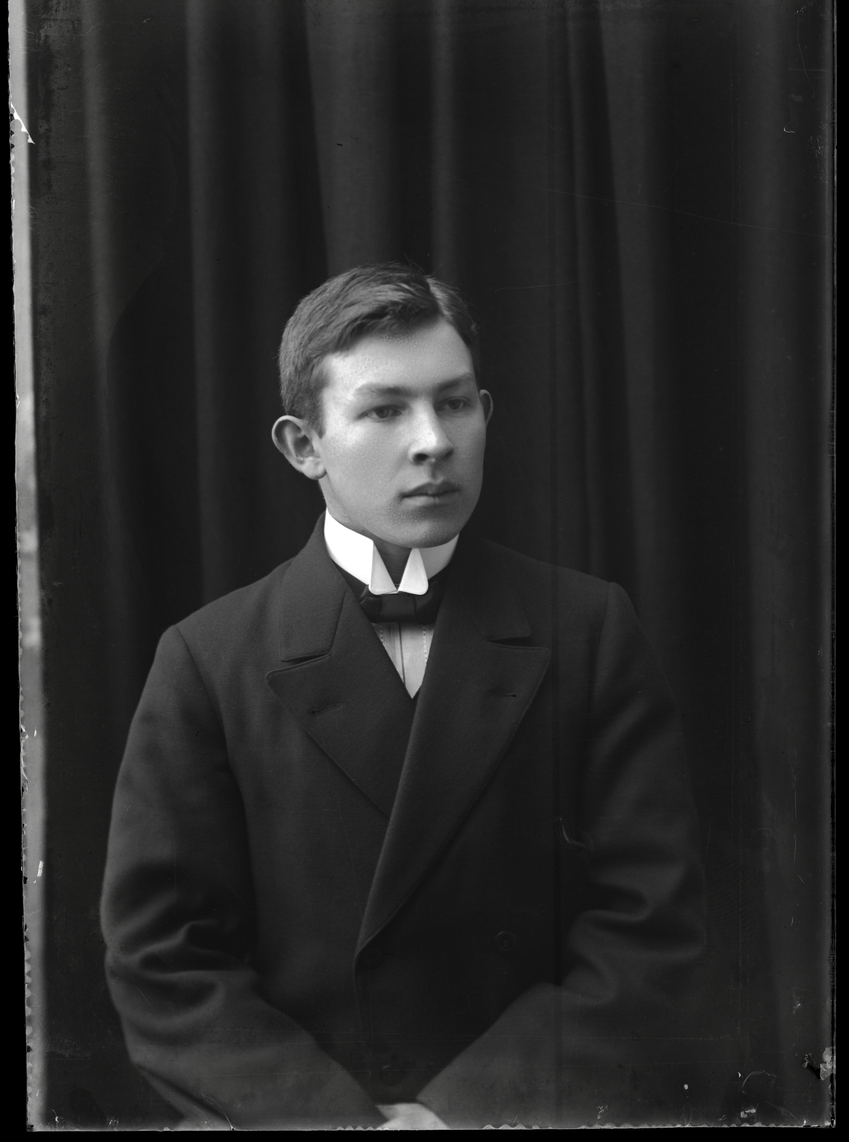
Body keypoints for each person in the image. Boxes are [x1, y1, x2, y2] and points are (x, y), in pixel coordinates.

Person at [101, 263, 705, 1129]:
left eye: (454, 403)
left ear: (485, 412)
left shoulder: (588, 629)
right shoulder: (206, 659)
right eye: (384, 411)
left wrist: (464, 1112)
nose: (433, 441)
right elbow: (164, 964)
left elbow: (651, 926)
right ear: (302, 446)